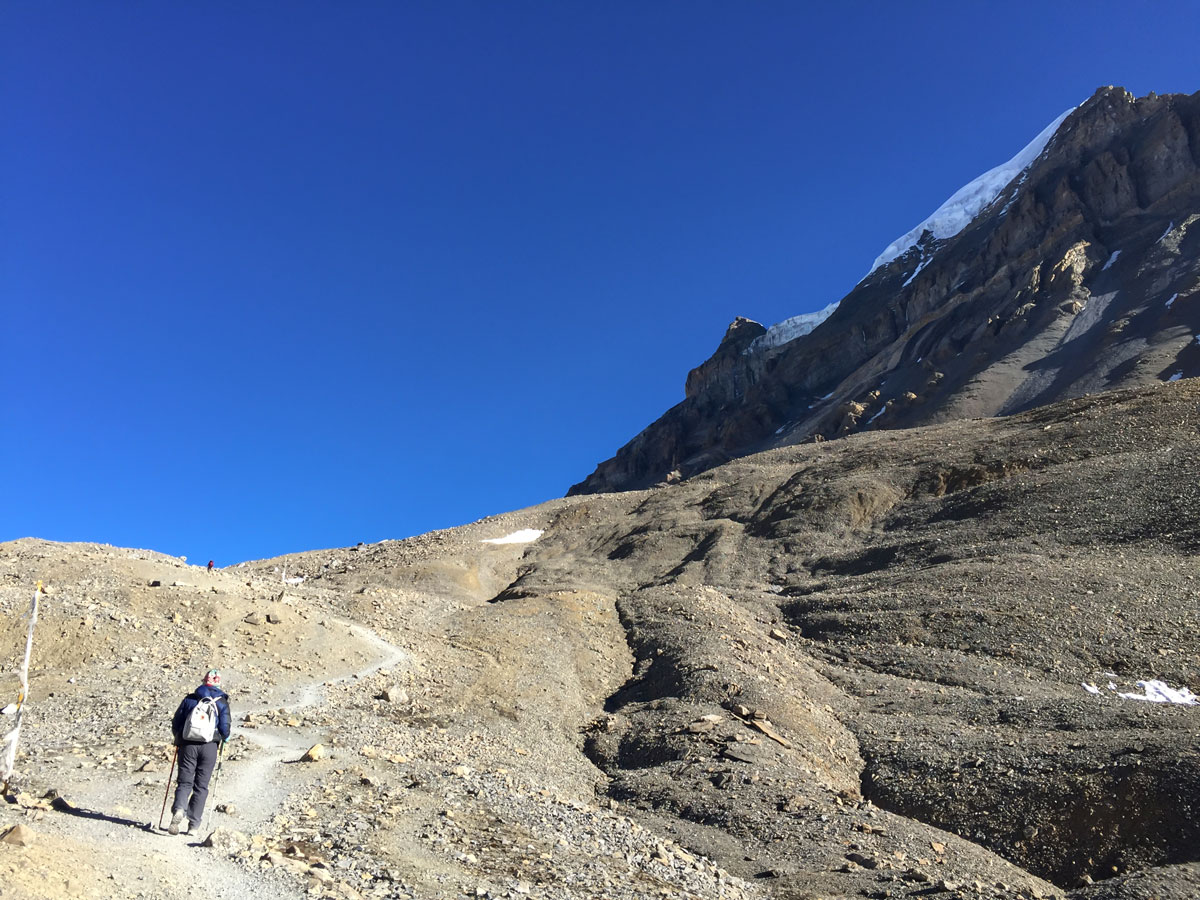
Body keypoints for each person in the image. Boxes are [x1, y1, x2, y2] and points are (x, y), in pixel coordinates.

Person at [168, 669, 231, 835]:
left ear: (203, 681)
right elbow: (225, 729)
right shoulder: (221, 702)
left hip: (188, 745)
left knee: (184, 782)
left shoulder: (190, 699)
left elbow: (177, 721)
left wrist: (178, 738)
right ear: (218, 683)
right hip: (209, 746)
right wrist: (224, 738)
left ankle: (179, 809)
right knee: (201, 786)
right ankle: (194, 826)